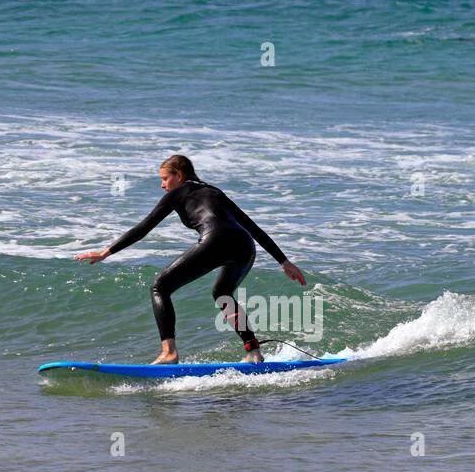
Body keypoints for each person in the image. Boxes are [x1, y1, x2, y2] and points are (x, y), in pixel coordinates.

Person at [76, 155, 306, 364]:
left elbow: (145, 226)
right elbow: (251, 227)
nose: (162, 185)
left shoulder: (179, 192)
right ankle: (253, 352)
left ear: (179, 175)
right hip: (245, 245)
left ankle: (169, 352)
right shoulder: (216, 192)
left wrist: (106, 251)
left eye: (165, 179)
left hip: (216, 239)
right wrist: (283, 261)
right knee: (223, 294)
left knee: (160, 287)